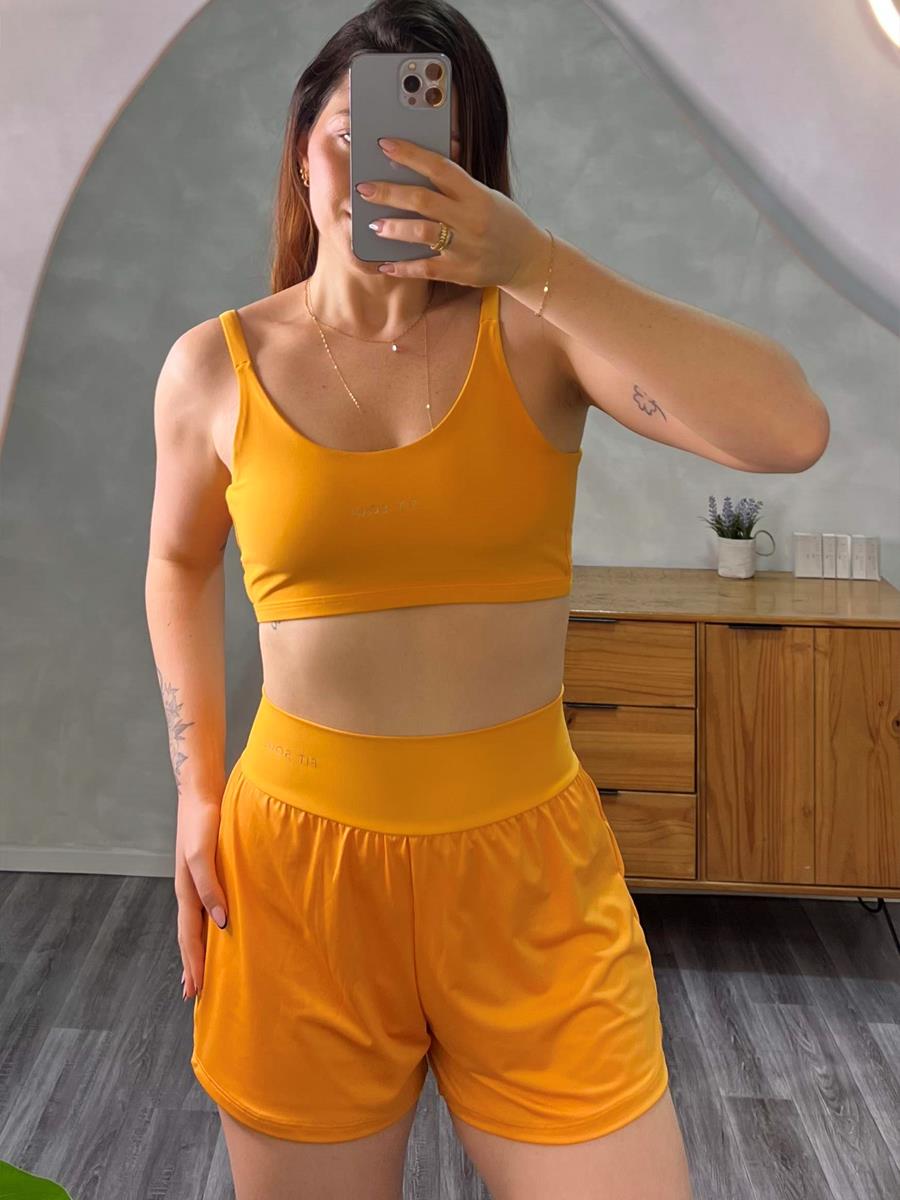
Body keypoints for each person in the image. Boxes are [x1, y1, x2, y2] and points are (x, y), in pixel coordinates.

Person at [146, 0, 824, 1194]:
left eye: (431, 147)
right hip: (296, 875)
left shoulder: (538, 336)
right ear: (301, 150)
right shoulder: (214, 366)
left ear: (476, 174)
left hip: (530, 879)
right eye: (352, 134)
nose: (384, 170)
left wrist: (538, 263)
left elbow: (789, 431)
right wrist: (197, 788)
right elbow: (179, 562)